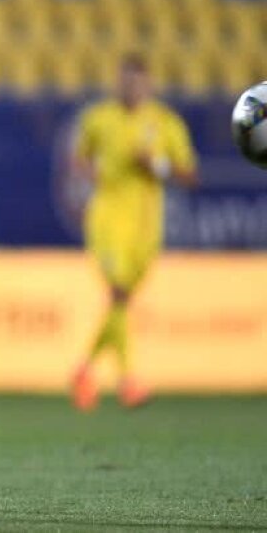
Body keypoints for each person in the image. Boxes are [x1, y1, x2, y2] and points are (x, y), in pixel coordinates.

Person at [69, 54, 197, 411]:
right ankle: (128, 381)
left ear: (148, 84)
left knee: (120, 301)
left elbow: (190, 174)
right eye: (125, 80)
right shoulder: (99, 118)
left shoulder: (164, 123)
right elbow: (78, 158)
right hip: (108, 218)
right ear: (117, 82)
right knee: (118, 291)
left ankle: (84, 368)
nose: (130, 87)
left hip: (146, 225)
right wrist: (90, 175)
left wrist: (155, 165)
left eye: (137, 81)